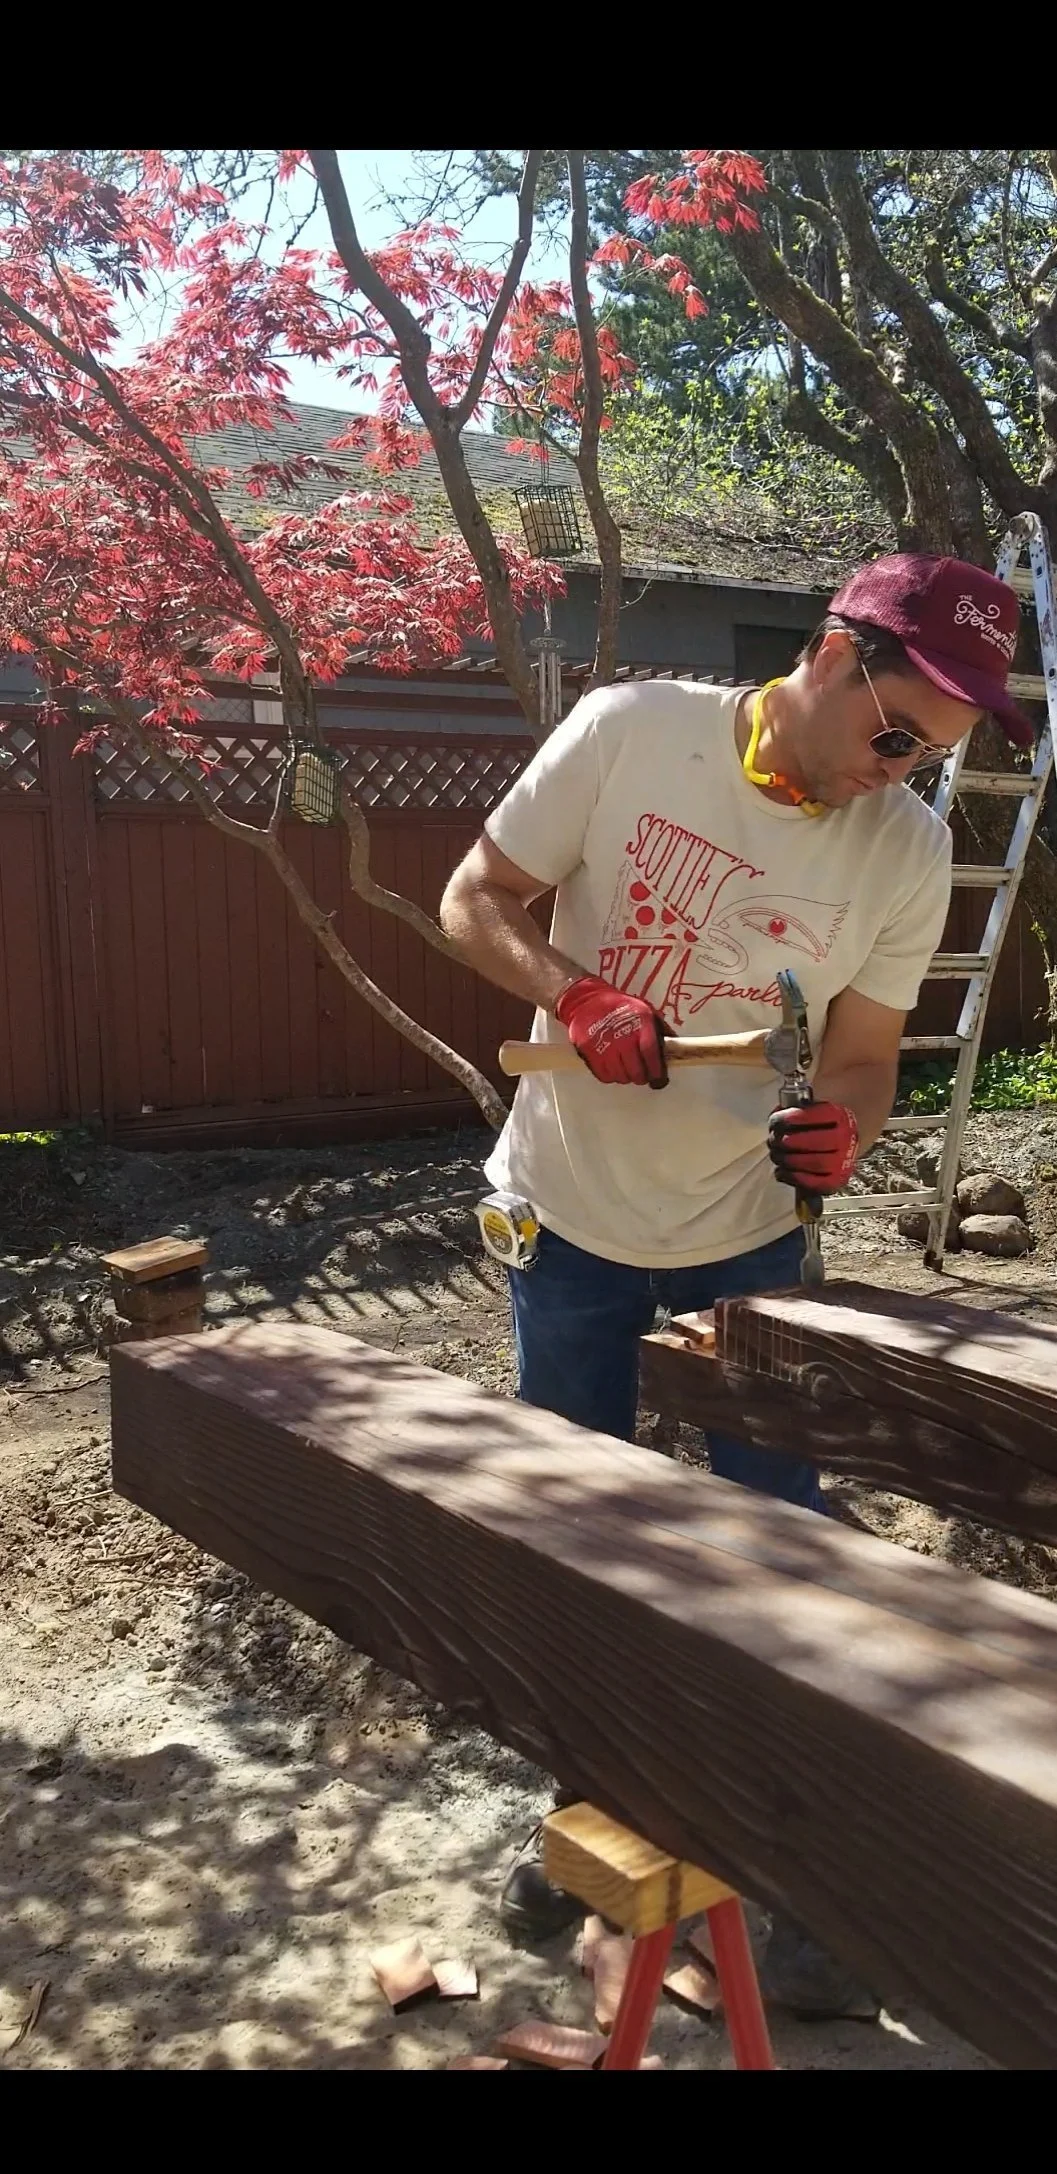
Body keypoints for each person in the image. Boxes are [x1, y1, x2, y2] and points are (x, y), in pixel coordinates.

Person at [440, 552, 1033, 2016]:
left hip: (751, 1234)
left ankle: (790, 1869)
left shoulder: (902, 848)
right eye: (892, 735)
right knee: (578, 1531)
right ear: (831, 653)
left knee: (777, 1553)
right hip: (570, 1218)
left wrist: (845, 1130)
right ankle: (589, 1816)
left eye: (930, 759)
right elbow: (476, 897)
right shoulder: (633, 732)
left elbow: (864, 1057)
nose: (897, 774)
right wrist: (574, 990)